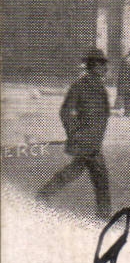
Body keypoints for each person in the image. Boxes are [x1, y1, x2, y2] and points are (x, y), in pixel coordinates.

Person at [37, 50, 113, 218]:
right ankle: (104, 217)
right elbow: (65, 112)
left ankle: (43, 195)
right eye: (101, 64)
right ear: (93, 66)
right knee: (99, 178)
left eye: (104, 64)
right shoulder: (80, 86)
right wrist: (75, 133)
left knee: (77, 171)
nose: (105, 68)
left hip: (93, 140)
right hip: (86, 140)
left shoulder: (99, 86)